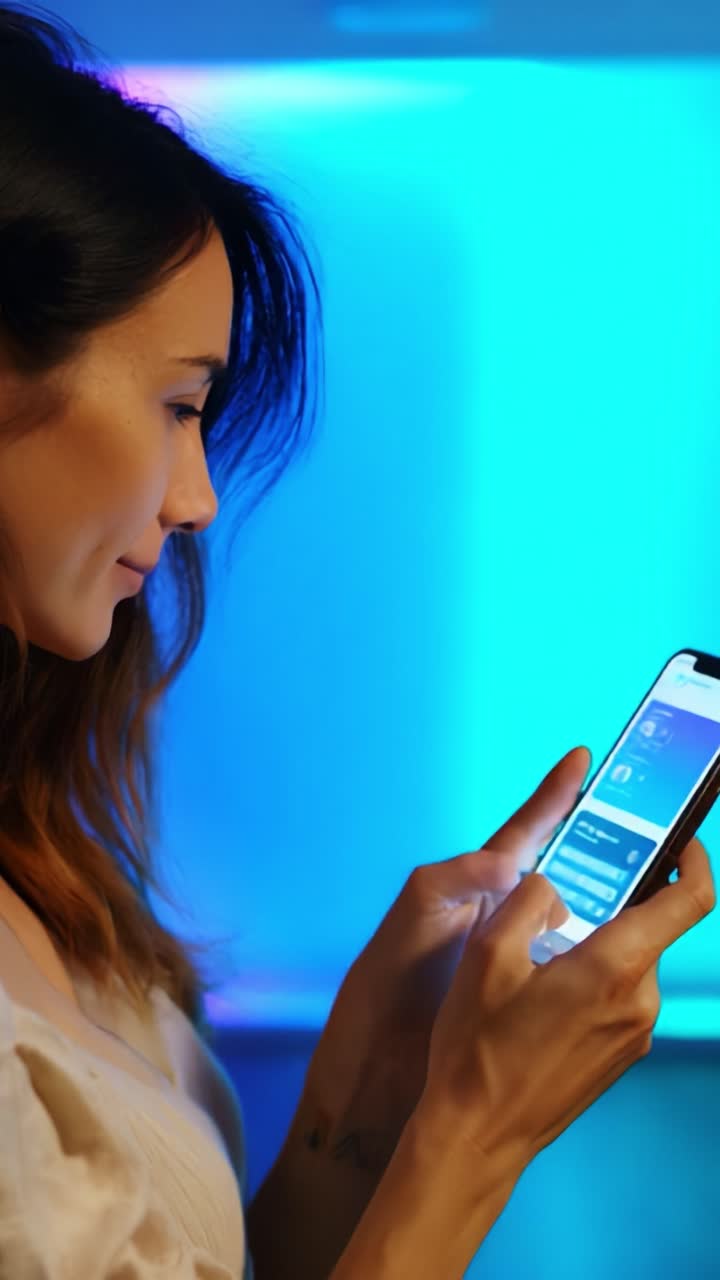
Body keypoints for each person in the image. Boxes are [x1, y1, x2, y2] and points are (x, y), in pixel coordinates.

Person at [0, 5, 714, 1279]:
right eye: (180, 404)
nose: (197, 498)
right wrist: (476, 1132)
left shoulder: (37, 861)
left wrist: (367, 1091)